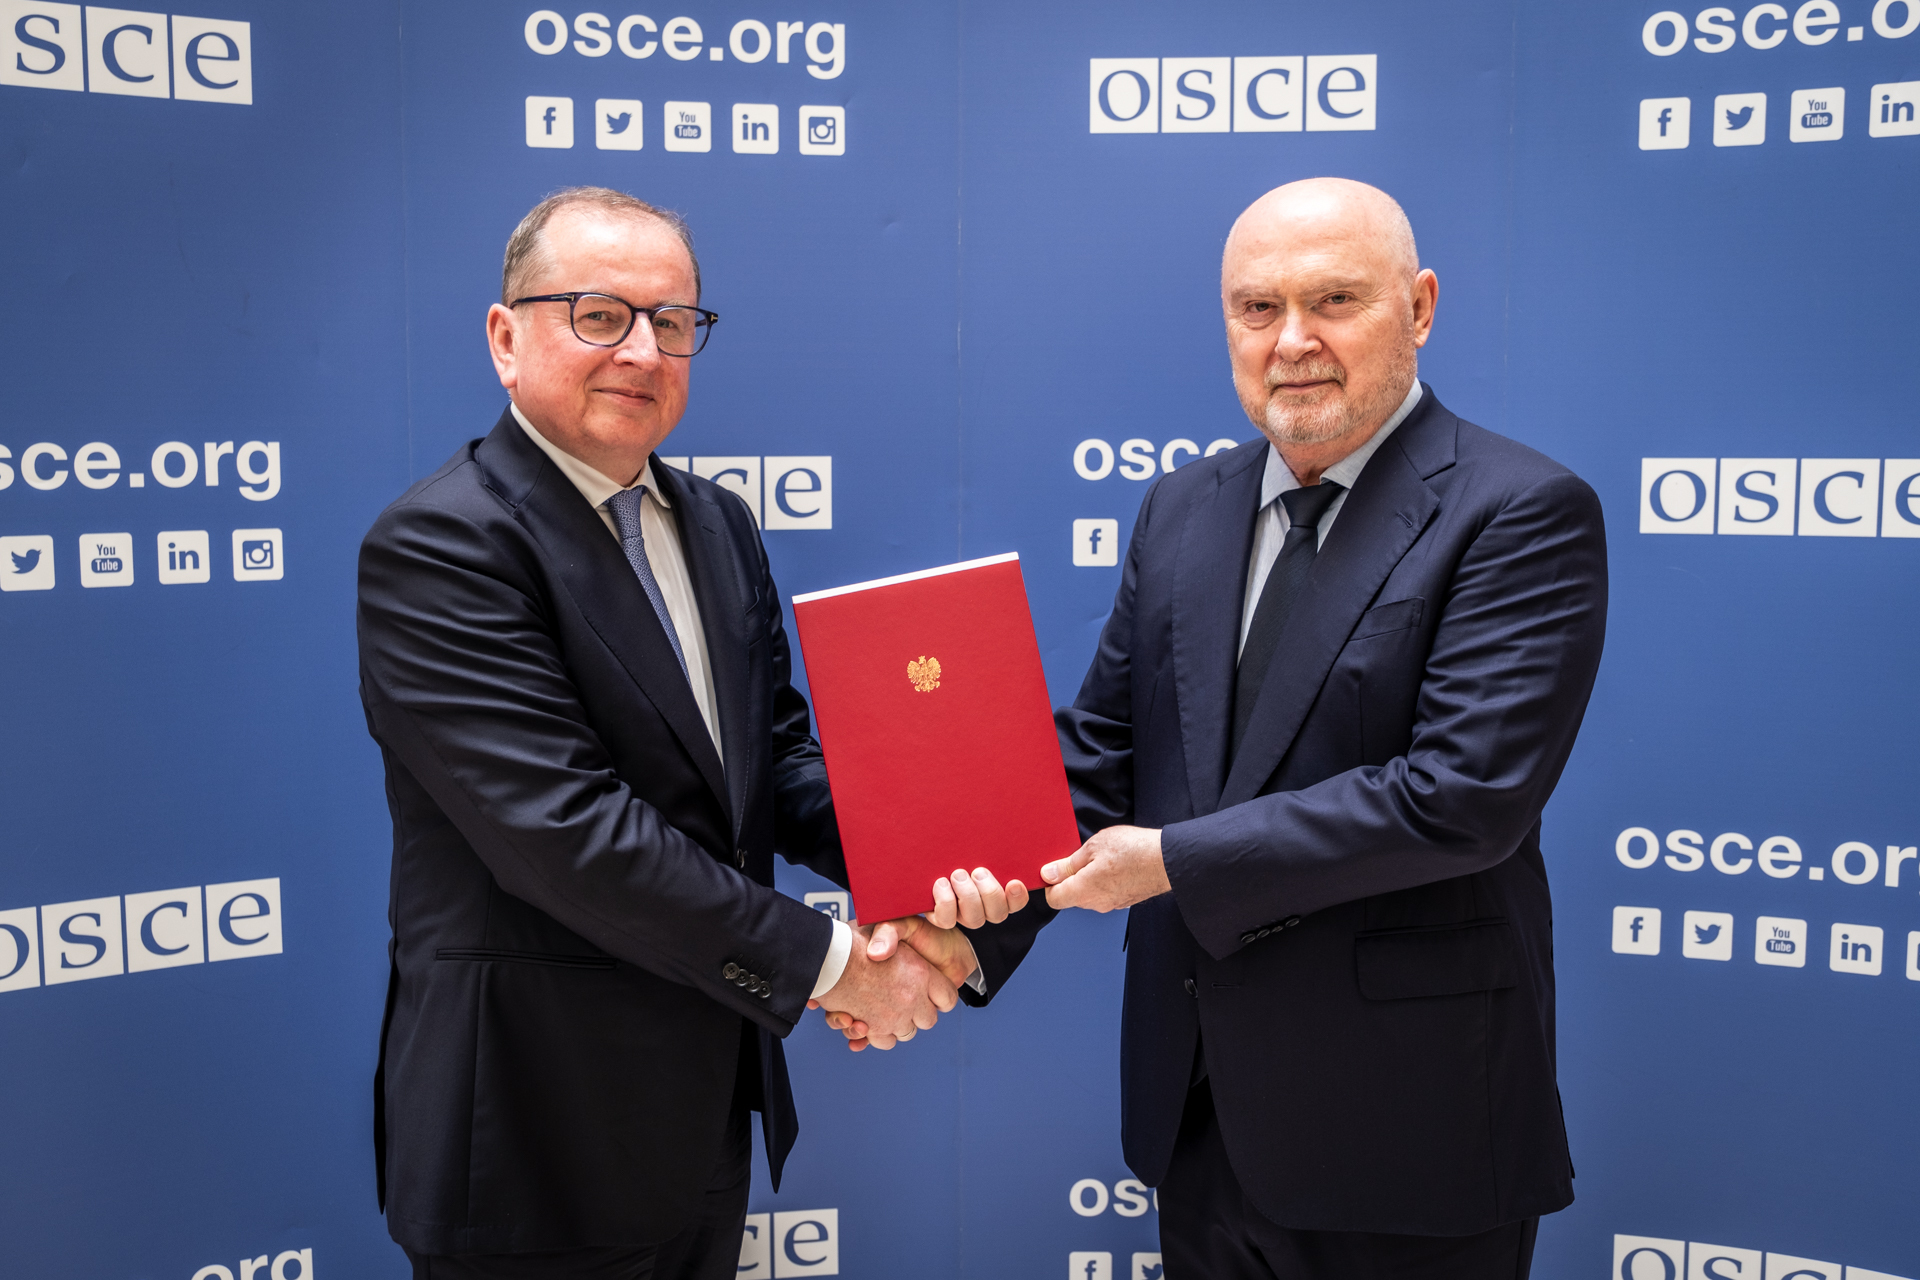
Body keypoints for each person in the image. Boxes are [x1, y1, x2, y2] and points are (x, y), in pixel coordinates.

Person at [903, 178, 1610, 1278]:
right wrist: (962, 938)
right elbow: (1103, 757)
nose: (1292, 341)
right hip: (1199, 1112)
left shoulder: (1519, 509)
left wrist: (1169, 862)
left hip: (1407, 1129)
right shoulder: (1183, 506)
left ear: (1420, 307)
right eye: (1257, 307)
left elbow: (1460, 799)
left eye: (1334, 300)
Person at [356, 186, 994, 1280]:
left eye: (673, 320)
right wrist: (838, 965)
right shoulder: (442, 545)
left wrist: (930, 860)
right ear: (506, 339)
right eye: (600, 315)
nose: (643, 351)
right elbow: (569, 834)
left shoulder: (715, 522)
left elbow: (773, 761)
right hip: (532, 1139)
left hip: (701, 1112)